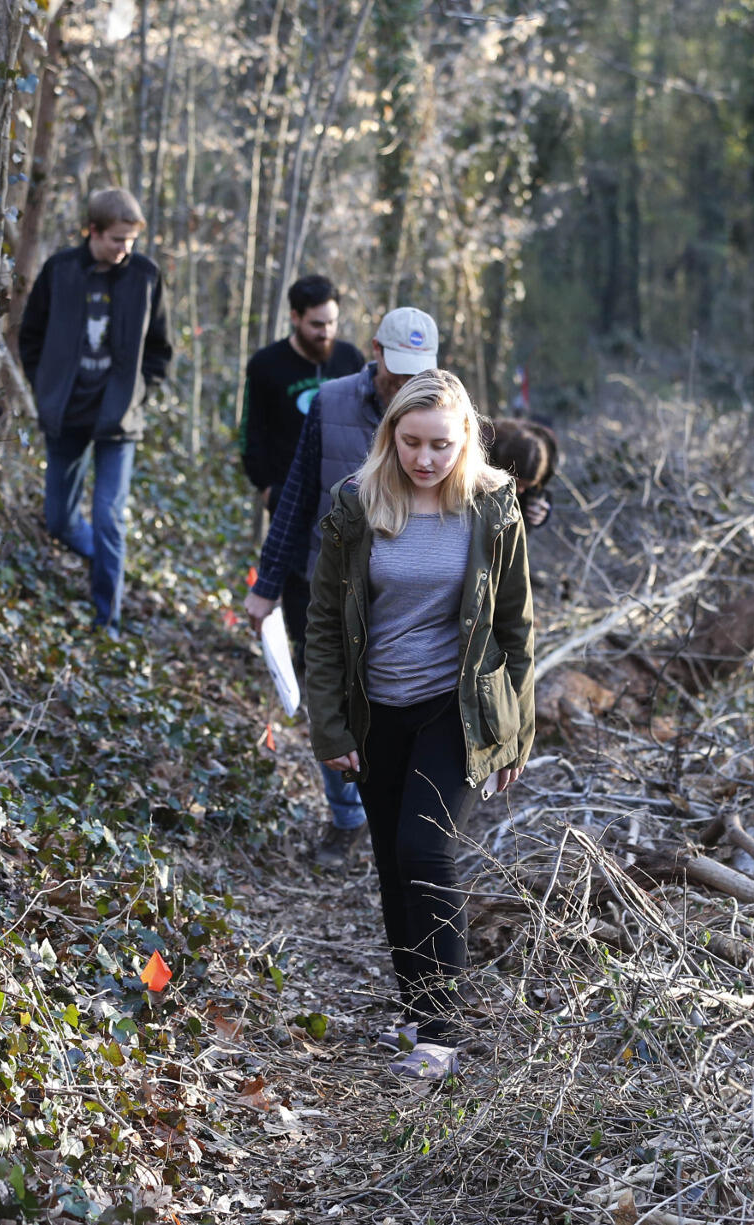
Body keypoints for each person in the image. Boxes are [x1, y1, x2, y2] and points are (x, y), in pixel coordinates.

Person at [303, 369, 535, 1050]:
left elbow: (517, 627)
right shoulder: (357, 503)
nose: (425, 459)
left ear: (465, 439)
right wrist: (330, 725)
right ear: (390, 437)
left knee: (424, 850)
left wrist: (514, 734)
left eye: (440, 443)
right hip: (376, 710)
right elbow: (323, 622)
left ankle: (439, 1032)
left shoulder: (492, 506)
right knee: (390, 859)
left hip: (454, 708)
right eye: (411, 442)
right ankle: (414, 1010)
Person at [243, 306, 441, 867]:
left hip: (406, 588)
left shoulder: (444, 412)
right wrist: (267, 584)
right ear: (374, 351)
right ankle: (346, 817)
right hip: (323, 579)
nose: (406, 383)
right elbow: (296, 497)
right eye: (397, 368)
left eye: (418, 371)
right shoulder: (330, 403)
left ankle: (396, 812)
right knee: (329, 698)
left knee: (395, 698)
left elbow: (478, 498)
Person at [18, 187, 173, 629]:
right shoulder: (60, 271)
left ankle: (108, 618)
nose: (125, 249)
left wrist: (140, 394)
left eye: (131, 240)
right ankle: (109, 560)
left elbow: (160, 348)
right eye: (116, 239)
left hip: (118, 421)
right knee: (60, 520)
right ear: (93, 231)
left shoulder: (145, 276)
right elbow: (31, 336)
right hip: (65, 415)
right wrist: (45, 388)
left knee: (108, 516)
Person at [239, 276, 365, 649]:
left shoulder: (350, 360)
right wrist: (265, 488)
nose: (325, 332)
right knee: (298, 583)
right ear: (295, 317)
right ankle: (306, 663)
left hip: (344, 495)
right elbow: (251, 434)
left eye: (331, 323)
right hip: (288, 495)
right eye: (316, 324)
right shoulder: (267, 365)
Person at [483, 418, 559, 528]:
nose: (520, 490)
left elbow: (540, 491)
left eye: (526, 486)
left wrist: (540, 510)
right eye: (516, 484)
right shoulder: (484, 444)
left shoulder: (547, 457)